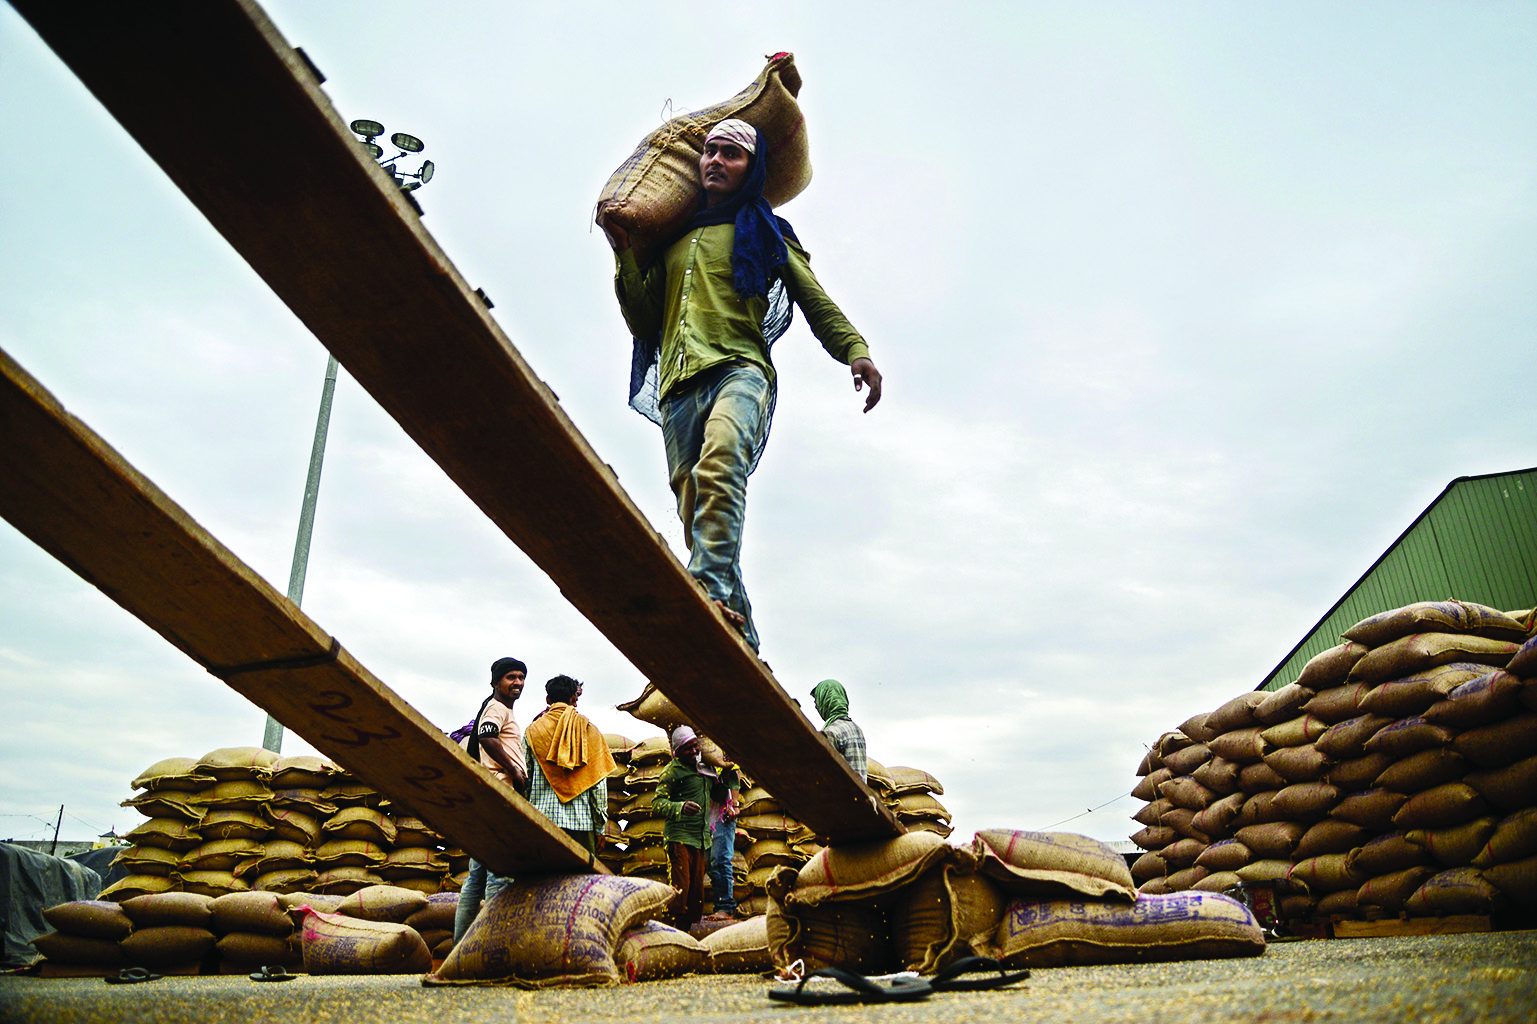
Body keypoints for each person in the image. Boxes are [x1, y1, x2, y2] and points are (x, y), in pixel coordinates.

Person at [599, 117, 883, 652]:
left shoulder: (764, 230)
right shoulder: (672, 241)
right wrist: (624, 255)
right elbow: (644, 322)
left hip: (740, 369)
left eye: (731, 154)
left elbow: (811, 295)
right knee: (696, 512)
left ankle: (702, 587)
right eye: (709, 152)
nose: (715, 161)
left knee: (723, 457)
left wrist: (855, 350)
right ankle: (744, 642)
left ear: (752, 169)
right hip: (678, 389)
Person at [453, 656, 529, 945]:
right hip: (501, 796)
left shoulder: (498, 708)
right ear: (496, 682)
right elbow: (486, 737)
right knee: (499, 875)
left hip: (491, 796)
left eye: (521, 677)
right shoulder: (497, 708)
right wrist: (515, 771)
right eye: (511, 677)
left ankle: (461, 948)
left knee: (476, 879)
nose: (518, 683)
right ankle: (494, 947)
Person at [651, 725, 739, 931]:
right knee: (680, 888)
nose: (694, 752)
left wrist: (725, 777)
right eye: (688, 748)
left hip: (701, 839)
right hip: (679, 838)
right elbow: (657, 803)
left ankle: (685, 933)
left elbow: (717, 796)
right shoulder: (672, 772)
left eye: (695, 747)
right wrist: (680, 807)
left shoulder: (705, 769)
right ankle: (672, 931)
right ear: (677, 751)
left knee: (696, 894)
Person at [522, 674, 616, 857]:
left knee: (544, 882)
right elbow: (598, 787)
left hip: (541, 821)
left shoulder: (532, 731)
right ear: (574, 699)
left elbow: (525, 778)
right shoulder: (589, 731)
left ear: (548, 699)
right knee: (579, 883)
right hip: (581, 824)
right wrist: (599, 828)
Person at [811, 678, 867, 783]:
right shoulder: (857, 729)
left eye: (817, 702)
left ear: (826, 701)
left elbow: (828, 773)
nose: (816, 707)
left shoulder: (831, 732)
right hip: (861, 796)